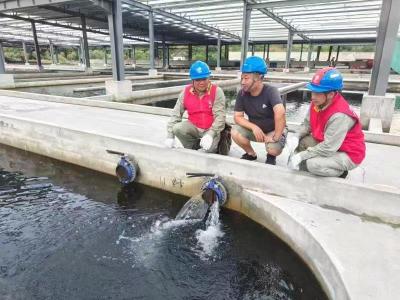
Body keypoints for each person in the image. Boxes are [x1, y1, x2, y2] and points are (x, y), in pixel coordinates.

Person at [288, 67, 366, 178]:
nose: (313, 97)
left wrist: (302, 156)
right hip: (332, 145)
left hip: (348, 154)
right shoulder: (318, 102)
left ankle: (341, 172)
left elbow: (329, 147)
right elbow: (307, 125)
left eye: (318, 93)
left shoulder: (340, 115)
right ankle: (310, 171)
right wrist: (296, 136)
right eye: (312, 92)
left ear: (331, 94)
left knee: (313, 165)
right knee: (302, 142)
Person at [231, 56, 286, 165]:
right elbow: (237, 117)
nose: (242, 82)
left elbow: (280, 113)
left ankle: (271, 156)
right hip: (256, 130)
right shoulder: (242, 94)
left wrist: (276, 137)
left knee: (274, 148)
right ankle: (251, 154)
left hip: (272, 130)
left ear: (259, 77)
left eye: (246, 78)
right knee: (235, 132)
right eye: (242, 78)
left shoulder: (271, 91)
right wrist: (254, 127)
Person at [165, 61, 226, 152]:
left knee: (209, 150)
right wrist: (170, 136)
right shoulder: (185, 92)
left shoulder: (217, 91)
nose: (201, 82)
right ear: (192, 80)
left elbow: (220, 117)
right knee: (177, 128)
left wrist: (211, 134)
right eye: (198, 80)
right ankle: (193, 146)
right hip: (194, 126)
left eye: (204, 79)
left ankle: (210, 143)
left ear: (208, 78)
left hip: (211, 128)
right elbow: (176, 114)